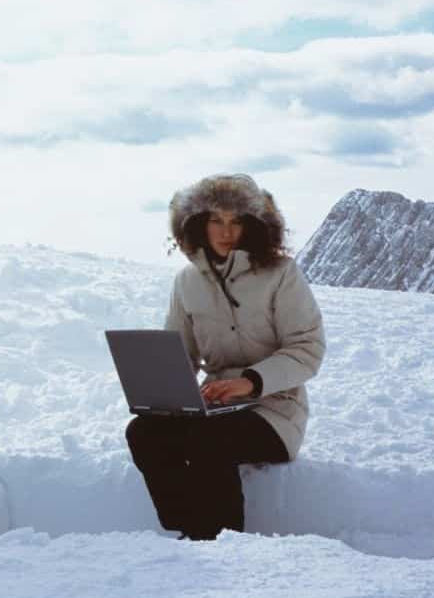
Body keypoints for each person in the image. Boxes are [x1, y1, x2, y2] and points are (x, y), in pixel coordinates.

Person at [125, 173, 326, 541]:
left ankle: (224, 544)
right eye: (216, 219)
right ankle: (187, 531)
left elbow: (307, 348)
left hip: (275, 411)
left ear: (253, 226)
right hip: (212, 408)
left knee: (209, 440)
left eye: (236, 221)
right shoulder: (186, 282)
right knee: (144, 433)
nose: (225, 231)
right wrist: (167, 392)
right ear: (198, 225)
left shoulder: (281, 274)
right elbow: (180, 354)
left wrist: (250, 382)